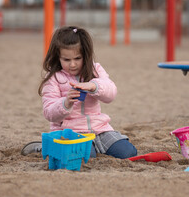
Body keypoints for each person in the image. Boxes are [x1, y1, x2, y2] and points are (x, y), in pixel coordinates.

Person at [21, 26, 137, 159]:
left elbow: (111, 93)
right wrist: (66, 103)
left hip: (99, 129)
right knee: (86, 156)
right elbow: (49, 113)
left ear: (85, 55)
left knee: (127, 152)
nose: (73, 64)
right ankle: (44, 146)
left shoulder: (94, 70)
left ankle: (92, 147)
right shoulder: (54, 78)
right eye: (66, 60)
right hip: (69, 132)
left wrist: (94, 86)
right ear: (58, 57)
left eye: (77, 58)